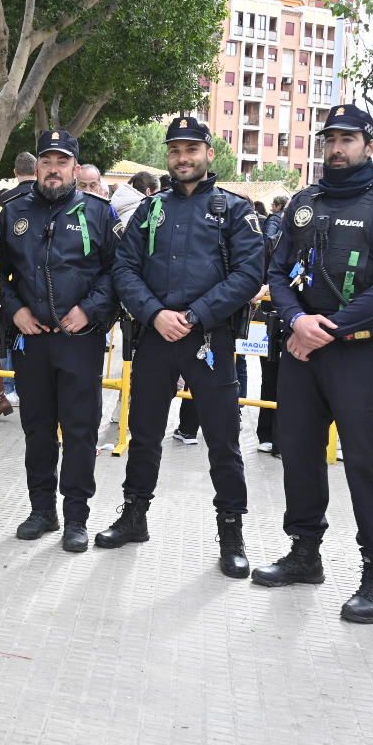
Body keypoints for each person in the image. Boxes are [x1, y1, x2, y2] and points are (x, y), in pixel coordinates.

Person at [256, 103, 373, 624]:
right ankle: (305, 553)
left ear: (369, 145)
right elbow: (277, 270)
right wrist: (297, 320)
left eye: (348, 139)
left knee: (366, 465)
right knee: (298, 454)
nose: (337, 148)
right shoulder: (303, 202)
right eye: (330, 139)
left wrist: (327, 328)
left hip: (357, 353)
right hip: (302, 351)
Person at [103, 116, 265, 574]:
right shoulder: (150, 209)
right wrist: (155, 313)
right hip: (155, 336)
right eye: (175, 150)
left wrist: (195, 316)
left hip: (208, 339)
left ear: (209, 154)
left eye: (191, 149)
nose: (183, 158)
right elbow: (124, 269)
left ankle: (231, 535)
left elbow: (249, 274)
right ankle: (134, 516)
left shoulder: (234, 210)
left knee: (223, 441)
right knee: (144, 434)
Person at [0, 129, 118, 552]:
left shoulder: (100, 213)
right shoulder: (12, 212)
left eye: (61, 161)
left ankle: (76, 517)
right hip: (32, 341)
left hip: (80, 339)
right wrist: (16, 310)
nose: (53, 169)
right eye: (46, 161)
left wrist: (89, 308)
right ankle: (42, 510)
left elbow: (115, 272)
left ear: (75, 168)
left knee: (81, 431)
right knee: (37, 430)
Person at [255, 193, 290, 454]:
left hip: (299, 324)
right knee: (270, 378)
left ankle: (284, 438)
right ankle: (267, 433)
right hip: (271, 319)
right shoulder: (272, 241)